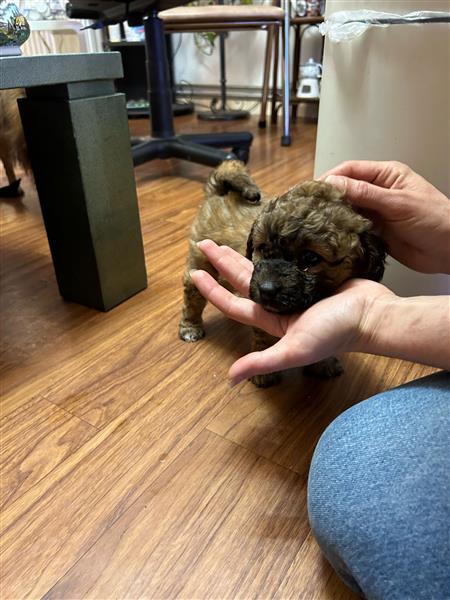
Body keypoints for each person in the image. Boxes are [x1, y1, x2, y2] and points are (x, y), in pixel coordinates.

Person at [190, 160, 450, 600]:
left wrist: (372, 318)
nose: (267, 282)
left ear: (366, 259)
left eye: (310, 260)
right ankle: (188, 310)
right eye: (263, 253)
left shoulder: (361, 252)